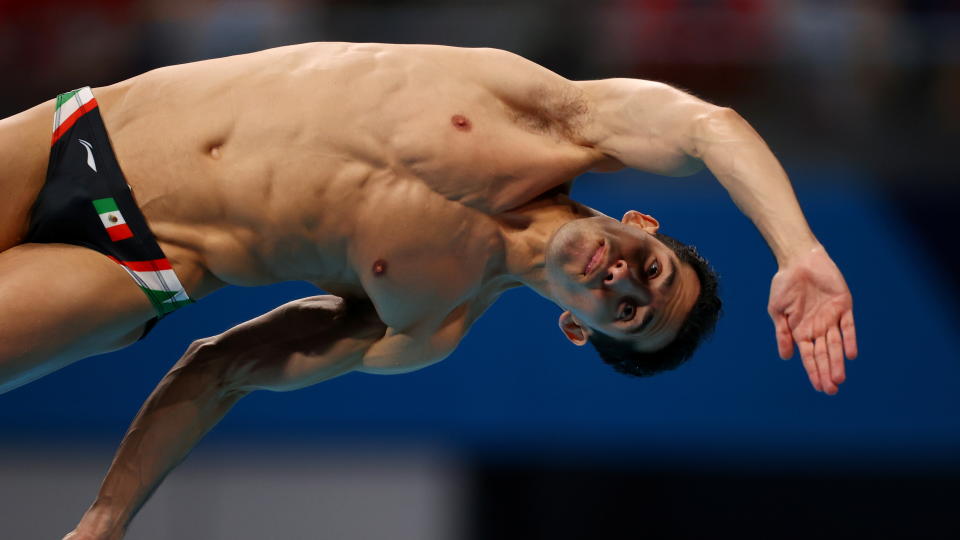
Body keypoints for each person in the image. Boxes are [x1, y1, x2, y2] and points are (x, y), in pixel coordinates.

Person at [0, 42, 855, 540]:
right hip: (76, 131)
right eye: (651, 269)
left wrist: (104, 523)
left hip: (135, 265)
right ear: (642, 222)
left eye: (626, 315)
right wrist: (797, 248)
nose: (624, 280)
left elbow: (217, 369)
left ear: (575, 327)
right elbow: (707, 126)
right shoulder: (551, 118)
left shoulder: (427, 324)